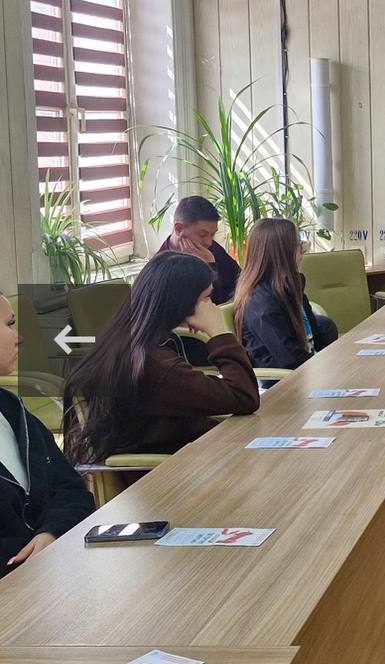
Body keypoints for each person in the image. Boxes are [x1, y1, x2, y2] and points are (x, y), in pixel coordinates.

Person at [63, 252, 260, 463]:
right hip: (175, 471)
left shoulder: (127, 342)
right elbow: (243, 396)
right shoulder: (156, 365)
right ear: (182, 303)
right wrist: (219, 332)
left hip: (184, 456)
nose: (211, 307)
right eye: (206, 298)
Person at [0, 294, 95, 577]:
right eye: (9, 324)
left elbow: (72, 490)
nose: (19, 338)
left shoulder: (12, 411)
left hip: (53, 571)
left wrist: (50, 533)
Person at [234, 218, 336, 370]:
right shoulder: (262, 304)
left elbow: (314, 337)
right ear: (283, 252)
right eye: (298, 244)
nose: (303, 249)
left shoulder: (289, 288)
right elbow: (290, 358)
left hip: (307, 369)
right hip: (286, 380)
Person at [154, 195, 241, 304]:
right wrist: (209, 267)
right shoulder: (160, 267)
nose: (209, 242)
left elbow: (241, 278)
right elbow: (207, 305)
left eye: (212, 235)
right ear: (179, 229)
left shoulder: (210, 249)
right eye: (202, 234)